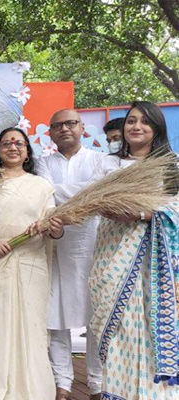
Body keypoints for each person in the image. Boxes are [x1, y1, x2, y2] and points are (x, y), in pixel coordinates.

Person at [0, 127, 62, 400]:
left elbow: (55, 227)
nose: (13, 147)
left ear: (28, 151)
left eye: (19, 143)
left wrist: (50, 227)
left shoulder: (40, 186)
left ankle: (29, 392)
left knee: (29, 329)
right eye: (6, 143)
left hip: (29, 266)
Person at [89, 101, 179, 399]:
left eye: (144, 121)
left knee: (148, 324)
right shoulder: (107, 163)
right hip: (111, 248)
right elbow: (93, 200)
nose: (136, 126)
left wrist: (141, 214)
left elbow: (176, 209)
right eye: (130, 121)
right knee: (116, 325)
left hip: (153, 256)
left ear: (156, 128)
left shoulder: (170, 165)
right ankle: (118, 391)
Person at [34, 109, 104, 400]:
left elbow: (98, 192)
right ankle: (62, 383)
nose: (64, 129)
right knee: (55, 318)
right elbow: (45, 195)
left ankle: (97, 384)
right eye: (57, 125)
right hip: (55, 249)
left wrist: (70, 193)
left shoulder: (100, 160)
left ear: (82, 128)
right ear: (49, 132)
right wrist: (86, 193)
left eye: (70, 123)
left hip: (94, 247)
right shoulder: (42, 162)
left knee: (96, 319)